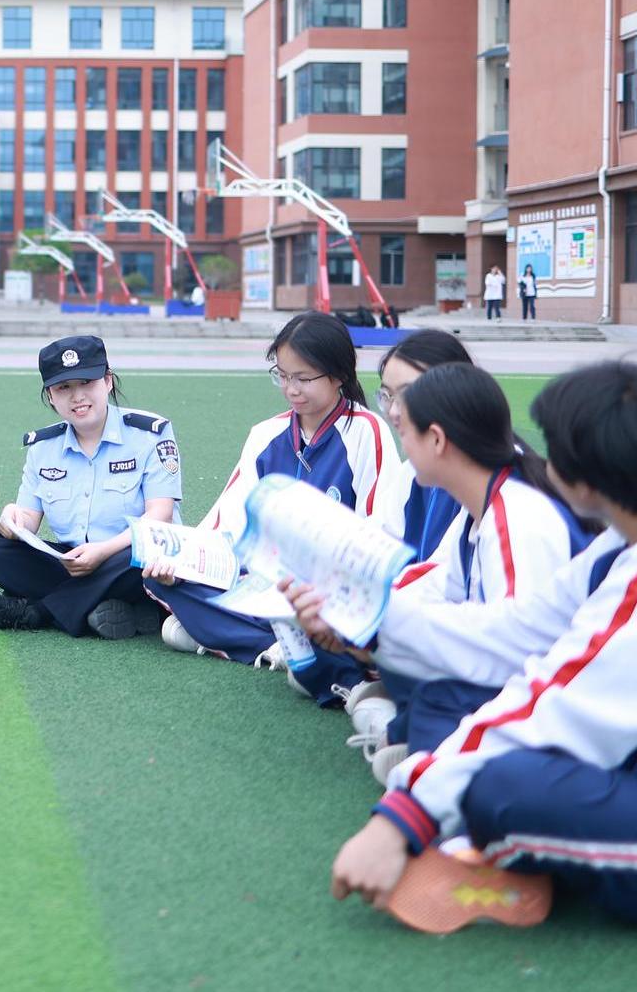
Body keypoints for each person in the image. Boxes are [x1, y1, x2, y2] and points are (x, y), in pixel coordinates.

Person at [328, 361, 637, 936]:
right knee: (482, 743)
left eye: (554, 452)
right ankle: (511, 851)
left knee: (499, 788)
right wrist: (370, 624)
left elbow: (560, 708)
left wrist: (400, 819)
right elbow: (513, 635)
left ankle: (498, 853)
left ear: (588, 480)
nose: (541, 461)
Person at [297, 363, 591, 783]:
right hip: (509, 673)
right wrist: (353, 620)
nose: (401, 440)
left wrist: (374, 630)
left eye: (406, 432)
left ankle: (435, 747)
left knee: (427, 681)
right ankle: (421, 737)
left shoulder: (518, 519)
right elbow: (435, 591)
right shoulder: (483, 506)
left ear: (436, 439)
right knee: (402, 655)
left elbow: (522, 657)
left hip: (552, 699)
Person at [149, 312, 396, 704]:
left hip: (328, 593)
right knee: (162, 578)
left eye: (303, 378)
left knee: (356, 620)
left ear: (338, 375)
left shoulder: (366, 431)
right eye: (282, 375)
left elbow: (378, 531)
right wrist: (177, 562)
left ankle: (240, 638)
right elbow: (227, 519)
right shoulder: (266, 435)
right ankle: (279, 646)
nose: (291, 389)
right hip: (267, 585)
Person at [0, 335, 179, 640]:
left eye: (86, 383)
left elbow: (160, 516)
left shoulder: (150, 433)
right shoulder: (43, 447)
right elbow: (28, 520)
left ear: (107, 381)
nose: (77, 396)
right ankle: (110, 608)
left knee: (142, 556)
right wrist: (13, 519)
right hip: (72, 561)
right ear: (50, 396)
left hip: (127, 556)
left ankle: (36, 613)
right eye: (64, 387)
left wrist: (102, 552)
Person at [372, 330, 476, 562]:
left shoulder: (487, 479)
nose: (393, 411)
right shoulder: (413, 468)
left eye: (407, 395)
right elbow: (376, 538)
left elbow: (443, 573)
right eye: (387, 395)